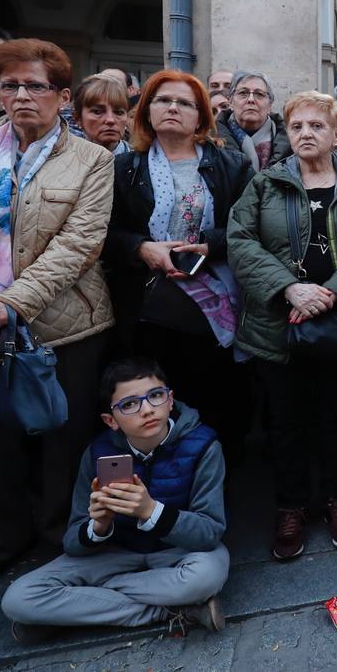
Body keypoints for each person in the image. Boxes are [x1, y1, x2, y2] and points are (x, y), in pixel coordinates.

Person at [0, 38, 115, 581]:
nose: (22, 95)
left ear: (61, 96)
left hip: (64, 322)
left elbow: (79, 244)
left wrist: (9, 303)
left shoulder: (90, 159)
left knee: (63, 434)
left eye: (36, 86)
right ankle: (0, 538)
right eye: (11, 85)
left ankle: (61, 535)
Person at [227, 90, 337, 559]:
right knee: (285, 422)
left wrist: (332, 291)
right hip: (277, 325)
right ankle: (291, 506)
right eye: (297, 126)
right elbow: (241, 242)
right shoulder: (265, 185)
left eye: (317, 126)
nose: (305, 134)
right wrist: (288, 288)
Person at [0, 359, 229, 643]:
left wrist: (150, 510)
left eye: (156, 396)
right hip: (114, 554)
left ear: (170, 400)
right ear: (111, 420)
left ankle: (81, 608)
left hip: (179, 552)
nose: (147, 409)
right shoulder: (98, 453)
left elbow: (210, 532)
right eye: (130, 404)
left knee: (205, 577)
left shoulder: (204, 445)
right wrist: (98, 526)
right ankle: (171, 611)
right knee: (18, 600)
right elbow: (72, 541)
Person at [105, 71, 254, 463]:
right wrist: (142, 248)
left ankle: (214, 481)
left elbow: (250, 226)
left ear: (202, 116)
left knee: (214, 401)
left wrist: (211, 245)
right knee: (155, 402)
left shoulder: (232, 166)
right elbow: (105, 233)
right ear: (147, 111)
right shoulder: (124, 168)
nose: (173, 108)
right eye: (162, 100)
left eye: (185, 103)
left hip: (213, 306)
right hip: (148, 309)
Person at [214, 71, 291, 173]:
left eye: (259, 94)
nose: (251, 100)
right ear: (231, 102)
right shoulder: (212, 140)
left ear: (270, 105)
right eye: (243, 93)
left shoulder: (292, 142)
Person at [73, 75, 132, 154]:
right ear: (78, 118)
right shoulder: (62, 162)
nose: (110, 120)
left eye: (119, 112)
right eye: (97, 112)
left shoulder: (145, 162)